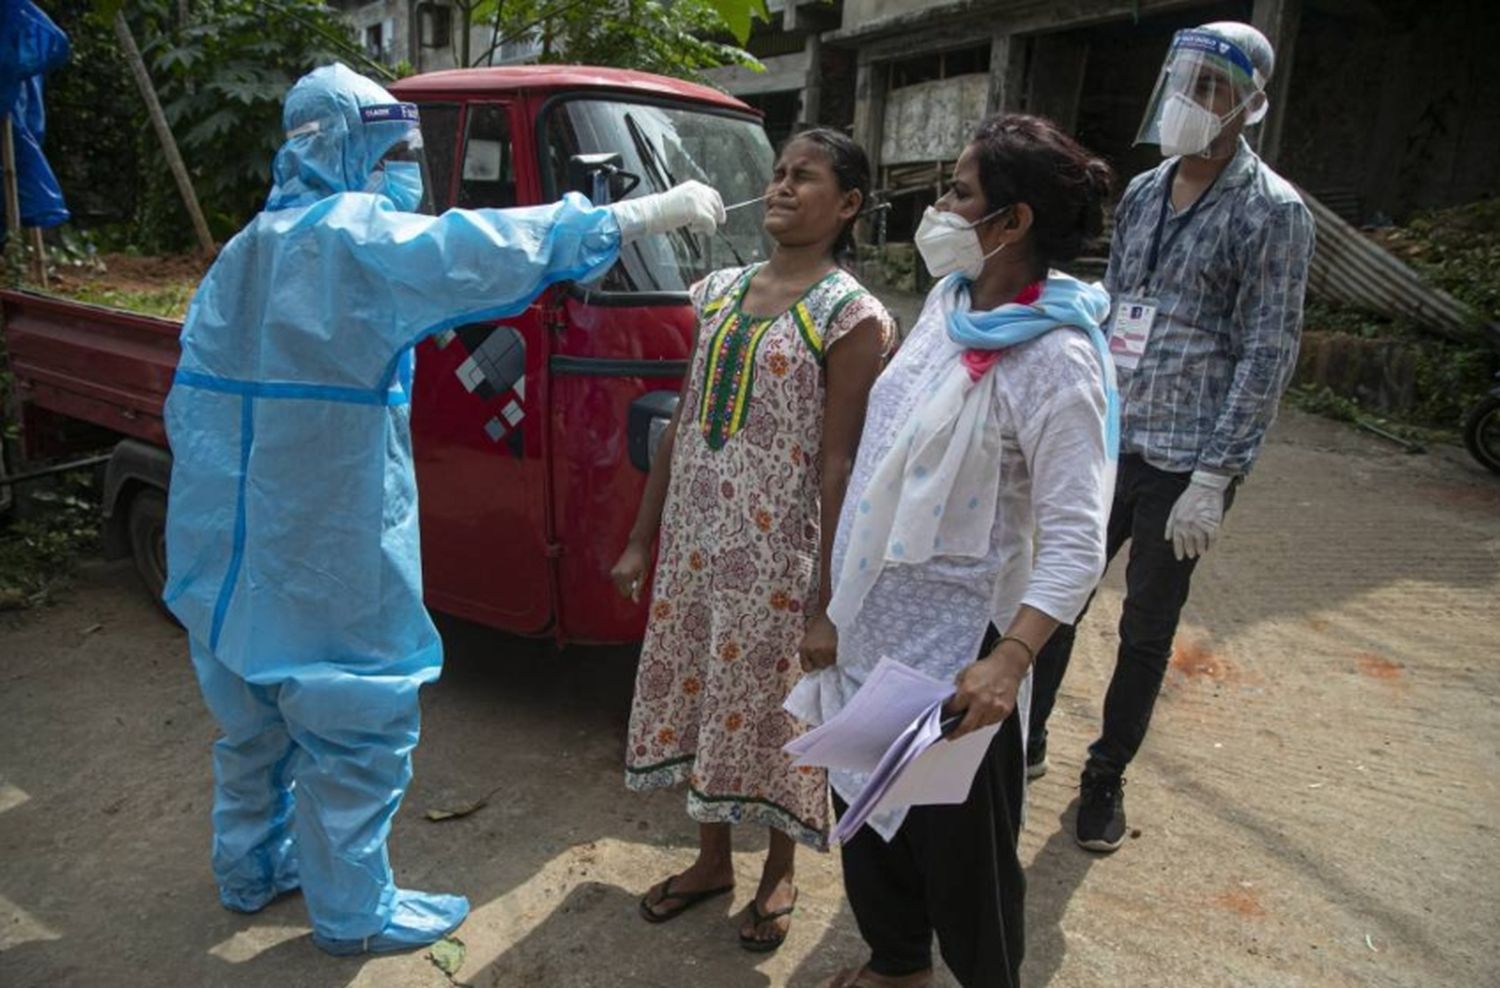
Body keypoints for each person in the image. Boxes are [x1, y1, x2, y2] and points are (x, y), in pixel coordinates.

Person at [164, 63, 723, 956]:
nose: (403, 172)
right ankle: (352, 913)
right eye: (391, 151)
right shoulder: (354, 240)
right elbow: (482, 247)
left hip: (227, 535)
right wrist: (635, 215)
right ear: (350, 148)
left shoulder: (247, 248)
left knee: (253, 719)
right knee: (354, 719)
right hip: (325, 532)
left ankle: (250, 867)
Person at [787, 113, 1117, 988]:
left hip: (961, 650)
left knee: (961, 854)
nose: (938, 207)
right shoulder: (948, 305)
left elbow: (1079, 539)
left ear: (1011, 224)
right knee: (866, 805)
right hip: (874, 624)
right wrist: (830, 601)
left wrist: (1010, 660)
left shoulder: (1058, 361)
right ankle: (897, 963)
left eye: (958, 193)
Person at [1026, 21, 1315, 853]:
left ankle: (1104, 776)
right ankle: (1030, 738)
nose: (1193, 100)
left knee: (1146, 629)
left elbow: (1269, 349)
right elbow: (1118, 303)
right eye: (1185, 80)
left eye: (1214, 88)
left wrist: (1216, 477)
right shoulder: (1148, 190)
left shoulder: (1274, 213)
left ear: (1249, 105)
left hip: (1185, 458)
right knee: (1059, 595)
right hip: (1111, 436)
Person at [612, 128, 892, 952]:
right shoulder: (719, 293)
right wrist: (641, 537)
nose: (781, 187)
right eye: (777, 174)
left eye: (804, 178)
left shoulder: (852, 316)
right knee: (703, 696)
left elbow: (841, 463)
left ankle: (778, 872)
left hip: (780, 559)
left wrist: (831, 601)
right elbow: (684, 424)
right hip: (698, 548)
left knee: (777, 715)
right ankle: (709, 862)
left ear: (846, 206)